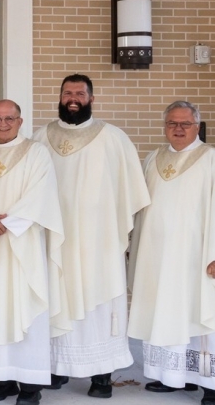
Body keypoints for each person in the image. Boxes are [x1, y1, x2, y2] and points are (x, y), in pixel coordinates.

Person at [32, 74, 149, 398]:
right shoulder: (41, 137)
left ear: (91, 99)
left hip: (98, 242)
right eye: (67, 92)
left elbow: (131, 191)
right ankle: (57, 367)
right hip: (53, 239)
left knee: (99, 303)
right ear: (59, 96)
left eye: (80, 93)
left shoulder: (114, 138)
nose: (73, 98)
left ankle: (101, 374)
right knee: (57, 298)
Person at [0, 100, 64, 405]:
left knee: (25, 308)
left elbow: (41, 194)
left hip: (22, 244)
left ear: (20, 121)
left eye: (10, 118)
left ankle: (31, 385)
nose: (3, 123)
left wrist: (4, 223)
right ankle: (2, 379)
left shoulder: (37, 152)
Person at [128, 101, 215, 404]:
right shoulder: (153, 158)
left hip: (196, 256)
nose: (178, 129)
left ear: (197, 126)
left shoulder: (211, 159)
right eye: (172, 124)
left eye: (185, 124)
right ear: (164, 126)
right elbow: (139, 208)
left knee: (198, 313)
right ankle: (173, 376)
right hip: (157, 255)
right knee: (164, 310)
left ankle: (209, 383)